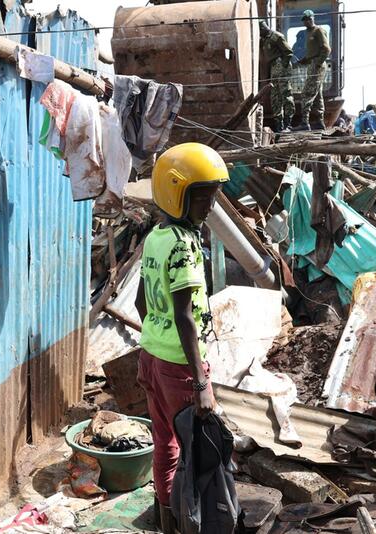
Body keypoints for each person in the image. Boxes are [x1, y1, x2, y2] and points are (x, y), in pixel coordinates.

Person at [135, 143, 228, 534]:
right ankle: (193, 525)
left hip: (151, 357)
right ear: (177, 195)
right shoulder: (185, 246)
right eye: (202, 198)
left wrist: (156, 337)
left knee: (166, 447)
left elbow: (142, 301)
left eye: (211, 197)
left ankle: (167, 523)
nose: (209, 207)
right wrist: (201, 383)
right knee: (199, 454)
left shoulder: (156, 237)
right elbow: (185, 317)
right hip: (180, 367)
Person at [296, 10, 331, 130]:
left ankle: (305, 123)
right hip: (312, 64)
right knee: (317, 94)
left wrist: (318, 62)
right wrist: (304, 60)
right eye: (304, 20)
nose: (306, 22)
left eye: (307, 19)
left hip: (317, 66)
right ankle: (319, 122)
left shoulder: (318, 30)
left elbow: (326, 49)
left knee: (307, 92)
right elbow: (313, 52)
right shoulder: (308, 32)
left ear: (312, 18)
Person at [259, 21, 295, 133]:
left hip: (280, 64)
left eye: (260, 31)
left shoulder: (277, 36)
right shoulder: (263, 40)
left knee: (285, 94)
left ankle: (288, 124)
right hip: (273, 67)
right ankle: (279, 126)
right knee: (275, 97)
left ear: (263, 29)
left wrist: (283, 66)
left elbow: (288, 52)